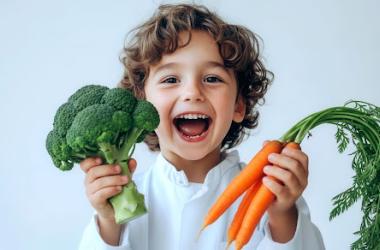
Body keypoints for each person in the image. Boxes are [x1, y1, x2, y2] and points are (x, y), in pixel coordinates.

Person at [79, 3, 325, 250]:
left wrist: (282, 214)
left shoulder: (274, 196)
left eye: (212, 79)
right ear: (143, 106)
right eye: (171, 79)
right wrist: (109, 222)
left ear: (239, 105)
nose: (192, 92)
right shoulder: (126, 199)